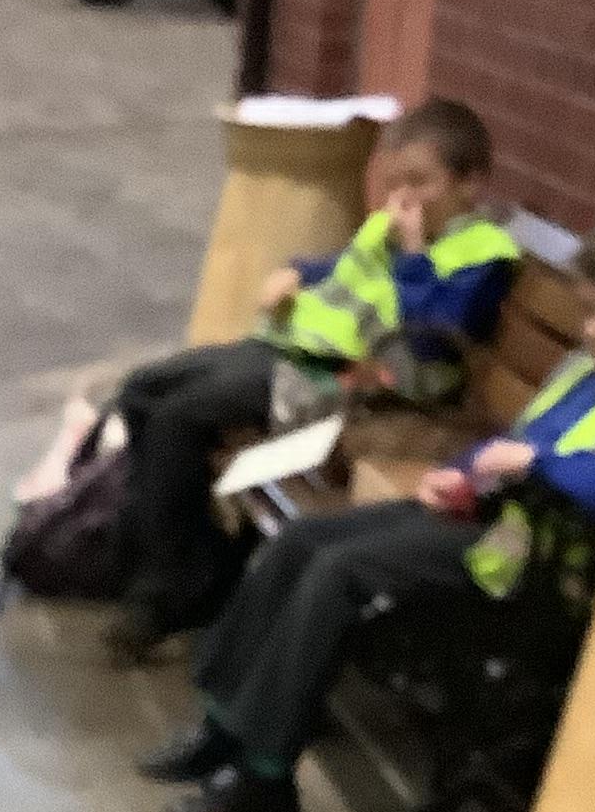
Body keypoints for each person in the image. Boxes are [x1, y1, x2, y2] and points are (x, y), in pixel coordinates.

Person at [140, 199, 595, 812]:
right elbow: (518, 441)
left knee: (338, 572)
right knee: (301, 541)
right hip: (493, 524)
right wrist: (461, 472)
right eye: (589, 312)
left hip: (535, 575)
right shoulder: (589, 367)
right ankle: (223, 727)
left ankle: (264, 779)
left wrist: (541, 465)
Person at [104, 96, 522, 662]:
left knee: (181, 416)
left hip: (349, 381)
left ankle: (165, 595)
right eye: (395, 182)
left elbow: (436, 329)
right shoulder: (393, 227)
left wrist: (414, 253)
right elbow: (344, 266)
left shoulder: (483, 255)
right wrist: (295, 270)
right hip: (292, 349)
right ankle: (183, 559)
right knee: (142, 389)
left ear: (470, 183)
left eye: (422, 183)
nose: (404, 198)